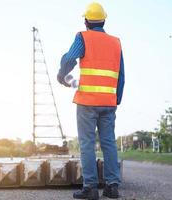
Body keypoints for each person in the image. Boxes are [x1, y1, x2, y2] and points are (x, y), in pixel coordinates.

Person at [57, 2, 125, 200]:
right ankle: (112, 187)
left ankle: (91, 188)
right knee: (109, 143)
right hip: (108, 103)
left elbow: (70, 58)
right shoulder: (116, 42)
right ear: (103, 20)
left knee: (87, 144)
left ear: (86, 21)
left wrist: (62, 75)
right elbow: (121, 75)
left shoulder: (82, 37)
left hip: (87, 101)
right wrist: (116, 98)